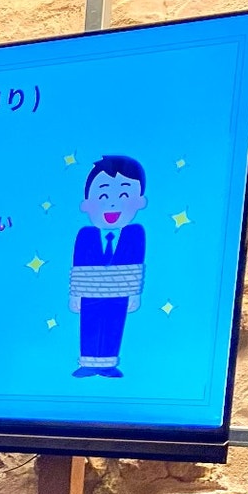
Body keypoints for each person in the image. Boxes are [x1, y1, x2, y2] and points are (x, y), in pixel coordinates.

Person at [69, 154, 148, 378]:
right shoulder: (85, 235)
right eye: (103, 195)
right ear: (86, 203)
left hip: (120, 292)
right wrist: (75, 295)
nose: (112, 203)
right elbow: (78, 265)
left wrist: (134, 294)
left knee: (114, 324)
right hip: (89, 292)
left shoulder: (135, 234)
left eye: (124, 195)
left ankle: (107, 363)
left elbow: (136, 264)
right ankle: (88, 363)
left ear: (140, 201)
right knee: (89, 324)